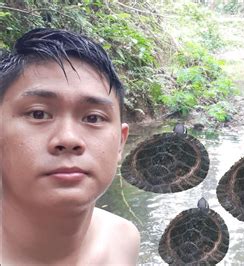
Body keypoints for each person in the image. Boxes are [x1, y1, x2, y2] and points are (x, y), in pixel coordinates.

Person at [0, 28, 140, 265]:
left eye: (93, 118)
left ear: (120, 142)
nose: (68, 139)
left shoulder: (122, 241)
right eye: (38, 113)